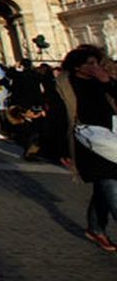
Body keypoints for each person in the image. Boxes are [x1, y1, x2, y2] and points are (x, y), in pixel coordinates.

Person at [56, 45, 117, 252]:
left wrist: (106, 82)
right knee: (110, 182)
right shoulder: (63, 85)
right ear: (77, 67)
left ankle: (95, 228)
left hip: (112, 137)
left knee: (103, 187)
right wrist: (62, 151)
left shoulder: (105, 80)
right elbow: (56, 119)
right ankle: (97, 229)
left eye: (96, 62)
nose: (95, 67)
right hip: (86, 142)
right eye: (89, 64)